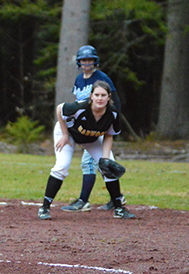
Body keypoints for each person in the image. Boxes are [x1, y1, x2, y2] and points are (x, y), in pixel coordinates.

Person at [37, 80, 136, 220]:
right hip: (69, 134)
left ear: (109, 97)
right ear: (91, 96)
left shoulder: (112, 113)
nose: (100, 98)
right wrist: (65, 134)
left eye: (103, 95)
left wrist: (105, 158)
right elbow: (60, 109)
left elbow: (109, 135)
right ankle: (45, 207)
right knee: (62, 166)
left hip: (91, 139)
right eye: (97, 95)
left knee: (109, 167)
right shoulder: (81, 107)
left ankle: (119, 209)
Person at [59, 45, 126, 213]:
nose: (86, 63)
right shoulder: (79, 79)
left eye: (89, 60)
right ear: (79, 62)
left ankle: (83, 201)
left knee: (90, 163)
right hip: (86, 125)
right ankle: (116, 198)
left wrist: (109, 124)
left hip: (101, 123)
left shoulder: (101, 77)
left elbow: (114, 102)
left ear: (95, 61)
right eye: (83, 60)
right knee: (98, 163)